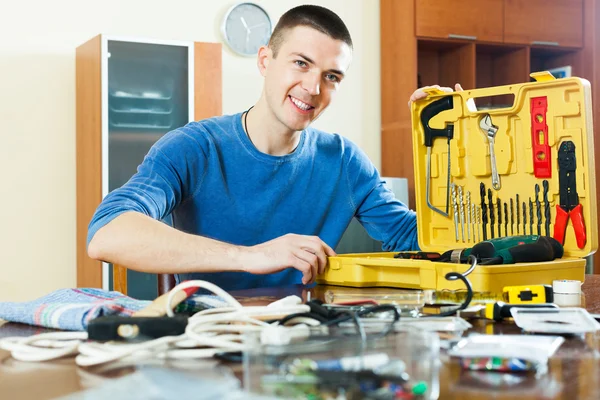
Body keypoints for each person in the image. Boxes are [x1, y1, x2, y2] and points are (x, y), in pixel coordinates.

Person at [87, 5, 452, 291]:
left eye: (331, 76)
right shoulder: (193, 147)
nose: (312, 87)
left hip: (307, 336)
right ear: (265, 60)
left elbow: (420, 240)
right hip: (214, 341)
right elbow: (107, 234)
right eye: (300, 63)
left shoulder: (344, 160)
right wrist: (252, 257)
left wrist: (448, 148)